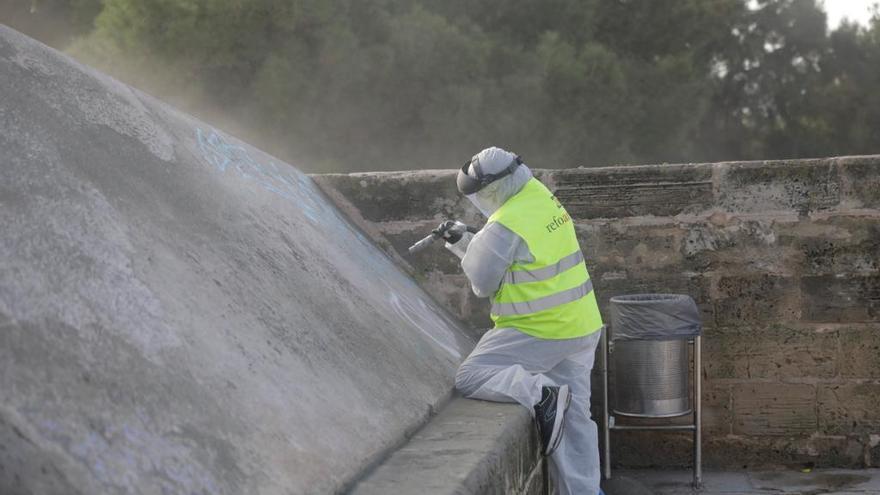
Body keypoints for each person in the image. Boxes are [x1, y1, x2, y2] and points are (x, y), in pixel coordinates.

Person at [436, 146, 605, 495]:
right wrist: (466, 239)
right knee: (576, 420)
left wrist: (468, 243)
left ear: (493, 187)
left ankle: (541, 395)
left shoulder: (505, 223)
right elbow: (512, 254)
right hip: (582, 325)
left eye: (479, 193)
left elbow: (483, 283)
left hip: (537, 329)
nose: (479, 200)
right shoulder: (540, 196)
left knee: (471, 375)